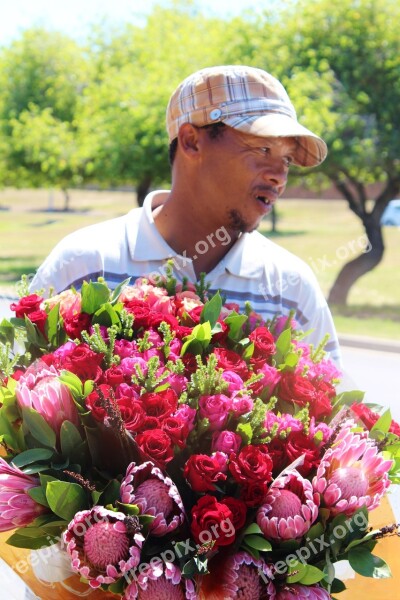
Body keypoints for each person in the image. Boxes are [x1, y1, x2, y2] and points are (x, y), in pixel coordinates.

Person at [29, 65, 341, 364]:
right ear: (192, 141)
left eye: (287, 159)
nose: (279, 176)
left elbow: (332, 413)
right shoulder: (85, 265)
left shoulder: (291, 288)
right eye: (262, 150)